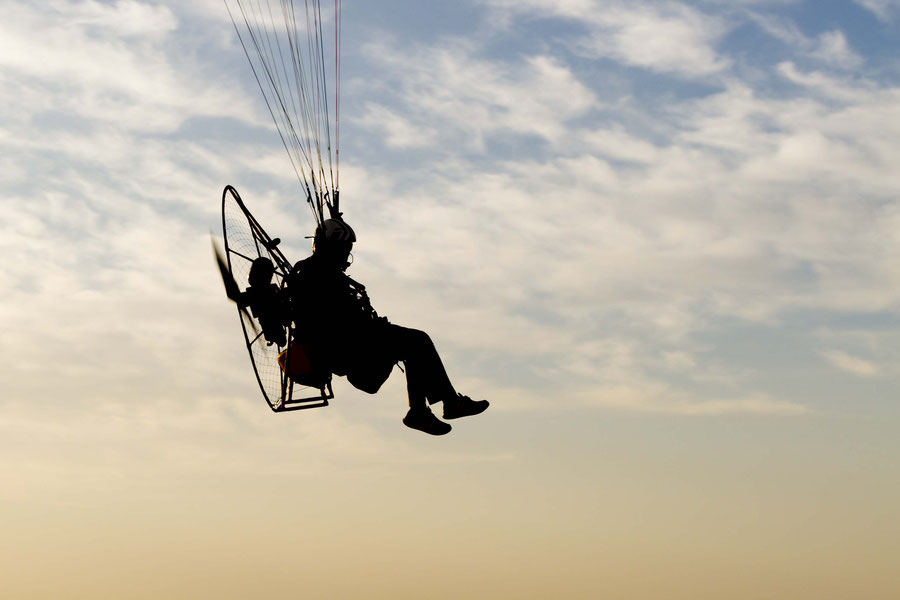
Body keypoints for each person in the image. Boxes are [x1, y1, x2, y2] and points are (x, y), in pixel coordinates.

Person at [285, 217, 488, 435]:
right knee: (417, 341)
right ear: (331, 248)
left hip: (356, 350)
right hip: (352, 351)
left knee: (414, 346)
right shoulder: (316, 277)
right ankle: (442, 405)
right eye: (344, 250)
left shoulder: (319, 274)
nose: (347, 256)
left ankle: (427, 410)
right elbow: (335, 319)